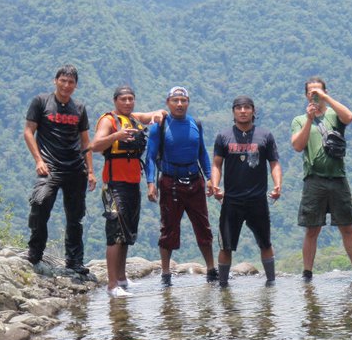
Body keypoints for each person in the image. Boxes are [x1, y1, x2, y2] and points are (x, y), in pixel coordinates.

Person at [89, 85, 167, 298]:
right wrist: (117, 136)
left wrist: (160, 114)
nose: (127, 102)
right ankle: (112, 285)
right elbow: (95, 145)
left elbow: (154, 114)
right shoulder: (109, 120)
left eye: (131, 99)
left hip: (133, 183)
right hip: (114, 184)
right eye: (123, 99)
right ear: (115, 101)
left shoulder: (133, 118)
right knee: (115, 233)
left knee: (126, 232)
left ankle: (122, 279)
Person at [24, 64, 96, 274]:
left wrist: (90, 171)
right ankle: (35, 252)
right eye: (62, 81)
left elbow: (85, 142)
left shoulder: (79, 108)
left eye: (71, 82)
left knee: (75, 216)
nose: (66, 85)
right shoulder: (41, 102)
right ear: (55, 81)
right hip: (50, 167)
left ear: (75, 85)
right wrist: (39, 160)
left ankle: (74, 261)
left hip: (76, 168)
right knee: (40, 203)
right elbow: (28, 132)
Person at [291, 76, 352, 281]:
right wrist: (308, 119)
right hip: (314, 179)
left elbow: (349, 117)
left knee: (346, 225)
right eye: (311, 92)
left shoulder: (334, 114)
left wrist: (327, 99)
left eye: (318, 91)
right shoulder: (299, 120)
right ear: (306, 95)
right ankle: (307, 272)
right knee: (312, 228)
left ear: (325, 91)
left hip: (338, 177)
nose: (314, 95)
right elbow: (297, 146)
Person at [145, 86, 217, 286]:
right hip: (170, 183)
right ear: (168, 102)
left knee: (203, 226)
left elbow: (202, 152)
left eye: (183, 101)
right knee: (168, 228)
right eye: (175, 100)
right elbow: (150, 157)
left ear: (188, 102)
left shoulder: (195, 124)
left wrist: (210, 178)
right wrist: (151, 183)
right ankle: (166, 273)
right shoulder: (159, 126)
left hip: (195, 181)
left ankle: (211, 269)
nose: (179, 104)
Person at [211, 96, 282, 287]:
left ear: (253, 111)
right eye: (239, 108)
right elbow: (217, 164)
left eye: (247, 107)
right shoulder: (224, 136)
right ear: (233, 112)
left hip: (257, 199)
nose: (243, 111)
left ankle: (271, 282)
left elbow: (274, 162)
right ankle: (223, 284)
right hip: (231, 200)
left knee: (265, 242)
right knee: (225, 245)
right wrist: (215, 185)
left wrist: (278, 185)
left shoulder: (265, 135)